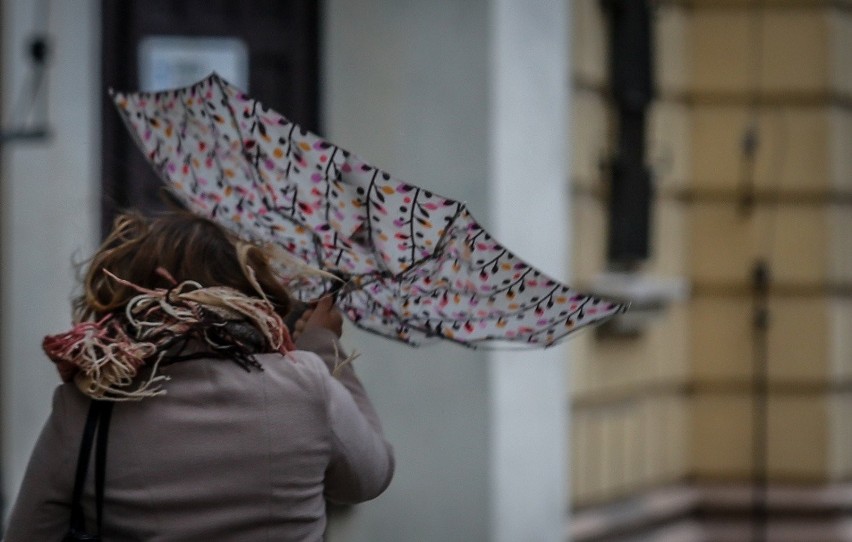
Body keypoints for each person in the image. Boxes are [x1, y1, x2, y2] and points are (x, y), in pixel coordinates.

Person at [3, 211, 394, 541]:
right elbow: (368, 477)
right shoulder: (306, 383)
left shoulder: (87, 407)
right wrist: (324, 346)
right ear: (247, 293)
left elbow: (29, 533)